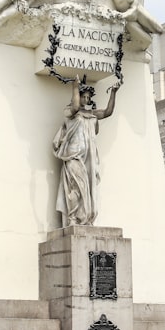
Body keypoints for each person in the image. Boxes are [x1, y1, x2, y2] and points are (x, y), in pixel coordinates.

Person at [52, 77, 119, 226]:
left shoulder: (92, 114)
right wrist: (75, 86)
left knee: (87, 190)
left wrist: (113, 92)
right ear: (79, 96)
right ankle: (73, 217)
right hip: (73, 156)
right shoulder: (70, 112)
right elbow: (75, 107)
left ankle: (84, 217)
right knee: (76, 187)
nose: (87, 99)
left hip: (88, 159)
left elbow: (108, 112)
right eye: (84, 96)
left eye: (89, 97)